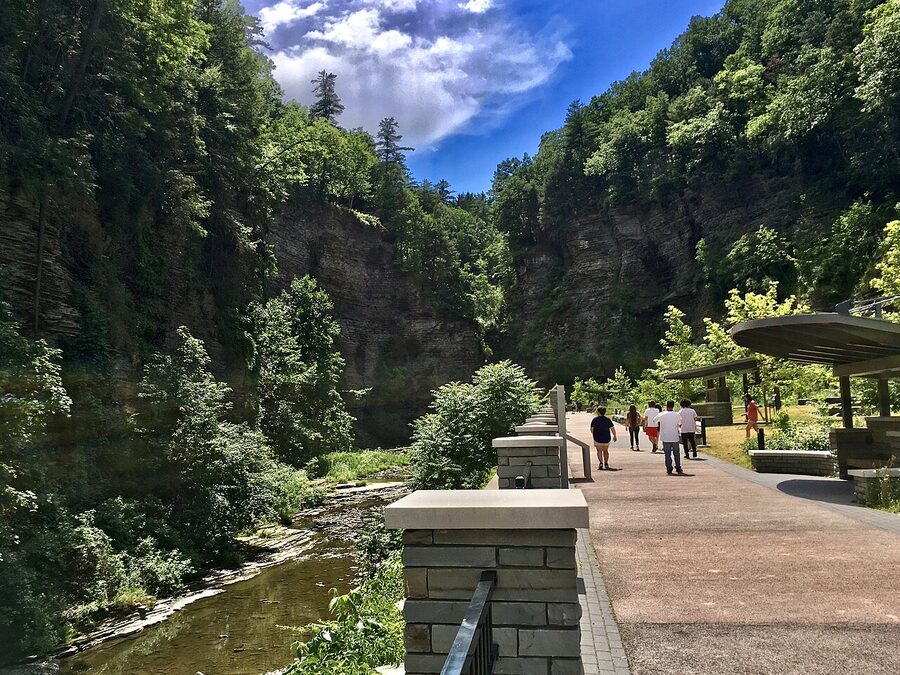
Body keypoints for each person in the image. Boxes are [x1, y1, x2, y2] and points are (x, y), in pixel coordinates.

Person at [657, 400, 683, 475]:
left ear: (666, 406)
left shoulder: (661, 414)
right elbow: (680, 423)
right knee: (676, 453)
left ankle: (669, 468)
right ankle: (678, 467)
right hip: (674, 436)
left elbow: (654, 420)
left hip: (665, 437)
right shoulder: (677, 414)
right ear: (673, 406)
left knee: (667, 454)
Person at [590, 406, 617, 471]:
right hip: (606, 437)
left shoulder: (595, 420)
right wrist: (615, 435)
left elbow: (591, 429)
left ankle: (601, 463)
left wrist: (593, 435)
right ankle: (606, 463)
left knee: (599, 451)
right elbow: (612, 428)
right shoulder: (608, 419)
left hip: (597, 437)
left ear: (598, 412)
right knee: (606, 450)